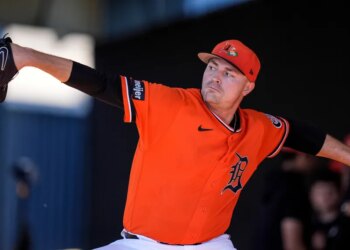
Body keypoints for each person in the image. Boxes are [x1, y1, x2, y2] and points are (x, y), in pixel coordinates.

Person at [1, 34, 350, 250]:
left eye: (230, 73)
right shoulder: (172, 104)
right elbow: (101, 83)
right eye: (213, 66)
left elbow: (302, 135)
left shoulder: (258, 128)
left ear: (248, 87)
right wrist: (28, 57)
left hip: (211, 245)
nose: (216, 76)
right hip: (144, 246)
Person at [255, 150, 323, 250]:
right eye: (316, 155)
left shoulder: (273, 183)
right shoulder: (293, 188)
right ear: (303, 155)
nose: (317, 161)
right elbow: (293, 245)